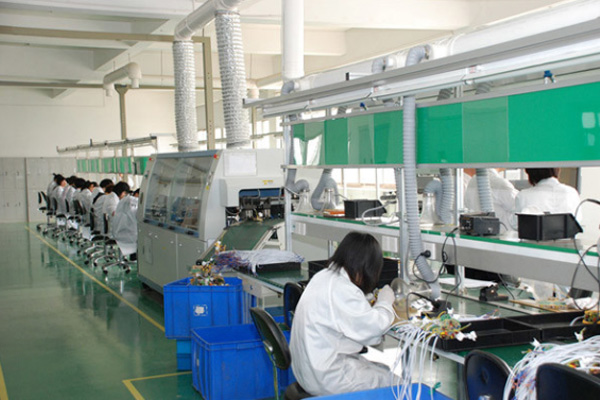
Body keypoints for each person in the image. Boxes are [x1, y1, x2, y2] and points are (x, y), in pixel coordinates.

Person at [290, 232, 396, 396]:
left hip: (309, 370)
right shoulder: (341, 288)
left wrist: (367, 300)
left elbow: (346, 310)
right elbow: (374, 328)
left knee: (383, 369)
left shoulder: (324, 276)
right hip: (328, 376)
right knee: (397, 384)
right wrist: (385, 302)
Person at [514, 168, 582, 225]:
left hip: (533, 237)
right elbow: (577, 221)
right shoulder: (571, 193)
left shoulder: (524, 195)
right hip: (566, 237)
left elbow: (515, 223)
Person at [464, 168, 518, 232]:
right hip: (503, 235)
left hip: (479, 233)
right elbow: (520, 209)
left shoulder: (472, 181)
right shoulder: (500, 183)